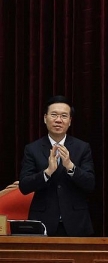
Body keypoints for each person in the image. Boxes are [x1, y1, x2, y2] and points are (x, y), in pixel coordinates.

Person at [19, 95, 96, 236]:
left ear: (70, 121)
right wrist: (47, 172)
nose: (58, 120)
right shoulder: (32, 149)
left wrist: (71, 167)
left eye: (64, 116)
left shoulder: (82, 147)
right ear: (45, 118)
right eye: (54, 115)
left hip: (76, 223)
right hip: (43, 222)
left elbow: (90, 184)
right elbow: (24, 186)